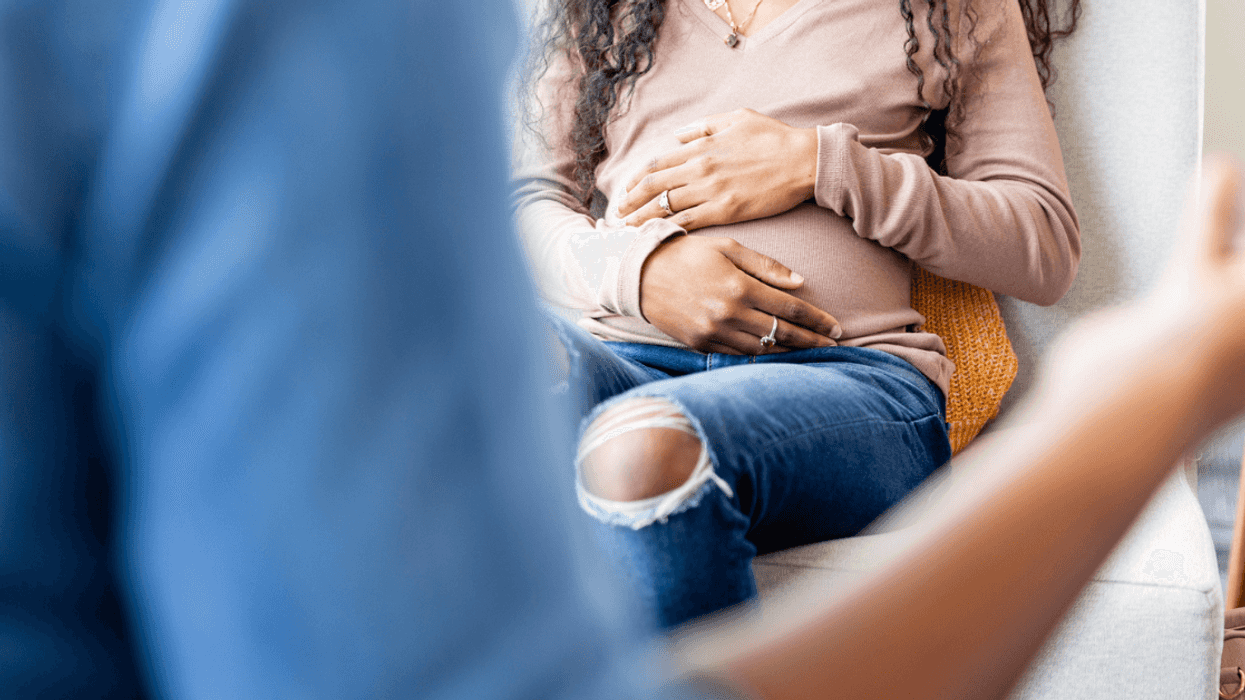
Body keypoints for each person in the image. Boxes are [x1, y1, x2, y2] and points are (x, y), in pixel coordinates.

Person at [512, 0, 1082, 627]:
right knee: (481, 365)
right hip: (624, 356)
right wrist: (637, 275)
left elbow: (1042, 241)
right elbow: (519, 207)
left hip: (849, 381)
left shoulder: (948, 9)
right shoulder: (598, 9)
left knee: (645, 447)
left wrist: (821, 165)